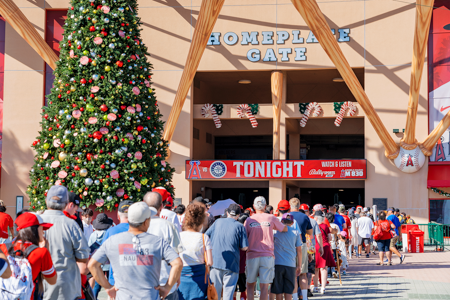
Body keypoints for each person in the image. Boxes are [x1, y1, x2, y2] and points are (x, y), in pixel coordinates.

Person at [89, 202, 183, 299]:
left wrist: (108, 287)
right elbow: (178, 263)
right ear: (146, 222)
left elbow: (92, 264)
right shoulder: (158, 242)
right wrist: (167, 287)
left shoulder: (112, 241)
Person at [40, 185, 89, 300]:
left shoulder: (37, 221)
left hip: (39, 283)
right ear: (66, 203)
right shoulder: (71, 224)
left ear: (47, 201)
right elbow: (83, 256)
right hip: (65, 286)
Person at [0, 212, 57, 299]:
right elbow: (52, 280)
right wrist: (47, 249)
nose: (44, 232)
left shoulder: (3, 248)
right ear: (35, 230)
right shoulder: (41, 252)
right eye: (42, 228)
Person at [245, 197, 287, 300]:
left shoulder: (249, 219)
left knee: (250, 286)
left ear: (254, 206)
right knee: (264, 287)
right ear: (265, 206)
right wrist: (287, 219)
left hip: (252, 255)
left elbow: (244, 237)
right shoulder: (271, 217)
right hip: (267, 255)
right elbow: (284, 228)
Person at [144, 192, 184, 300]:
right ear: (161, 206)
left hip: (143, 284)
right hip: (166, 282)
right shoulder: (169, 226)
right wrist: (176, 278)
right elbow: (177, 255)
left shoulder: (137, 227)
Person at [206, 204, 248, 300]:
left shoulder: (217, 222)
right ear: (238, 215)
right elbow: (244, 247)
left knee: (215, 294)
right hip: (232, 264)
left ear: (227, 213)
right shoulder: (240, 226)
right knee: (228, 294)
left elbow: (206, 236)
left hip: (215, 261)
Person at [178, 202, 213, 300]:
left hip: (181, 276)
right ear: (201, 221)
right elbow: (210, 262)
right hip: (200, 277)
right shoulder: (204, 237)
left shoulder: (179, 236)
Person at [101, 200, 133, 288]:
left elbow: (101, 258)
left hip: (115, 281)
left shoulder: (111, 232)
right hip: (137, 282)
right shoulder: (142, 231)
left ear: (118, 215)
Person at [271, 213, 302, 300]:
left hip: (277, 264)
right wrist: (299, 265)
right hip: (290, 264)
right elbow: (299, 250)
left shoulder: (275, 232)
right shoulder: (295, 232)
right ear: (292, 223)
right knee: (289, 291)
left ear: (281, 221)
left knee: (278, 291)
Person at [288, 198, 313, 300]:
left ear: (290, 205)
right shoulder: (304, 216)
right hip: (301, 245)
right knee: (303, 274)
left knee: (293, 275)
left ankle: (294, 297)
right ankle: (304, 297)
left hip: (289, 245)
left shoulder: (287, 216)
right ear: (299, 206)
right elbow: (310, 233)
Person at [89, 213, 114, 298]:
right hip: (109, 263)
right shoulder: (109, 233)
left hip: (97, 263)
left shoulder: (93, 235)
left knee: (97, 285)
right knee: (111, 284)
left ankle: (93, 298)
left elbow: (89, 249)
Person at [313, 211, 336, 295]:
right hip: (325, 246)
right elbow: (330, 238)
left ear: (316, 218)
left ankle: (315, 287)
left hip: (315, 247)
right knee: (324, 268)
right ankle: (323, 288)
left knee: (315, 268)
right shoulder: (325, 226)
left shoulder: (312, 225)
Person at [235, 213, 249, 300]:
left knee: (233, 286)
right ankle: (242, 298)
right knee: (242, 285)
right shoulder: (244, 232)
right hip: (242, 266)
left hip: (234, 264)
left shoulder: (234, 229)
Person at [325, 213, 340, 279]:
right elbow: (339, 235)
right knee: (335, 258)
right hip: (334, 244)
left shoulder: (325, 225)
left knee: (327, 259)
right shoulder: (335, 226)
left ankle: (329, 273)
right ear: (333, 219)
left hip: (327, 245)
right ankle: (334, 270)